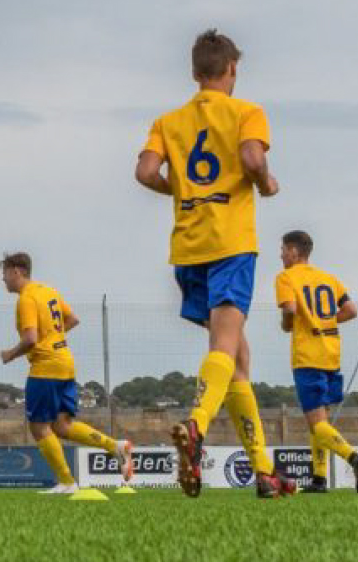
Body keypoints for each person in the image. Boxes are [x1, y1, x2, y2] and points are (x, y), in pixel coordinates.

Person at [132, 30, 288, 498]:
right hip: (230, 242)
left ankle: (264, 472)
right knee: (226, 346)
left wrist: (180, 190)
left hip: (187, 245)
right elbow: (250, 155)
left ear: (195, 72)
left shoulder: (169, 121)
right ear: (232, 70)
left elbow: (144, 172)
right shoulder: (246, 112)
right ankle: (196, 426)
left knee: (238, 359)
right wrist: (264, 181)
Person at [0, 252, 133, 494]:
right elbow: (72, 319)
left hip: (45, 367)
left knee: (39, 426)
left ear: (16, 271)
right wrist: (55, 338)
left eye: (4, 273)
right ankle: (115, 447)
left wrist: (10, 354)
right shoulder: (48, 291)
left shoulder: (26, 299)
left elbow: (30, 339)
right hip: (65, 363)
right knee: (62, 425)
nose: (3, 279)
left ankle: (67, 482)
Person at [272, 230, 358, 493]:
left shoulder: (286, 277)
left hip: (308, 354)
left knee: (316, 421)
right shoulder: (329, 278)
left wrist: (287, 324)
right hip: (331, 352)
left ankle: (354, 457)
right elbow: (351, 311)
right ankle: (319, 478)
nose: (281, 255)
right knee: (320, 418)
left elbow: (290, 310)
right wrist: (326, 321)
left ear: (294, 251)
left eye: (283, 249)